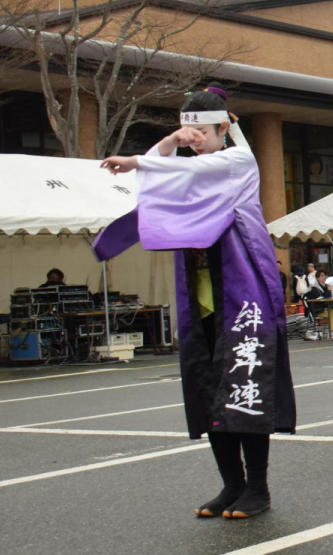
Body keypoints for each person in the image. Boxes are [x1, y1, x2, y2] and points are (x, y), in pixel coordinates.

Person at [94, 83, 295, 519]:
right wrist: (169, 141)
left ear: (222, 127)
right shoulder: (195, 162)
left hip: (241, 294)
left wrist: (137, 160)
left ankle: (257, 487)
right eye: (189, 133)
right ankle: (231, 485)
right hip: (202, 297)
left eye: (200, 132)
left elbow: (174, 173)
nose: (194, 141)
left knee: (245, 386)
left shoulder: (237, 160)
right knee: (206, 388)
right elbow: (165, 175)